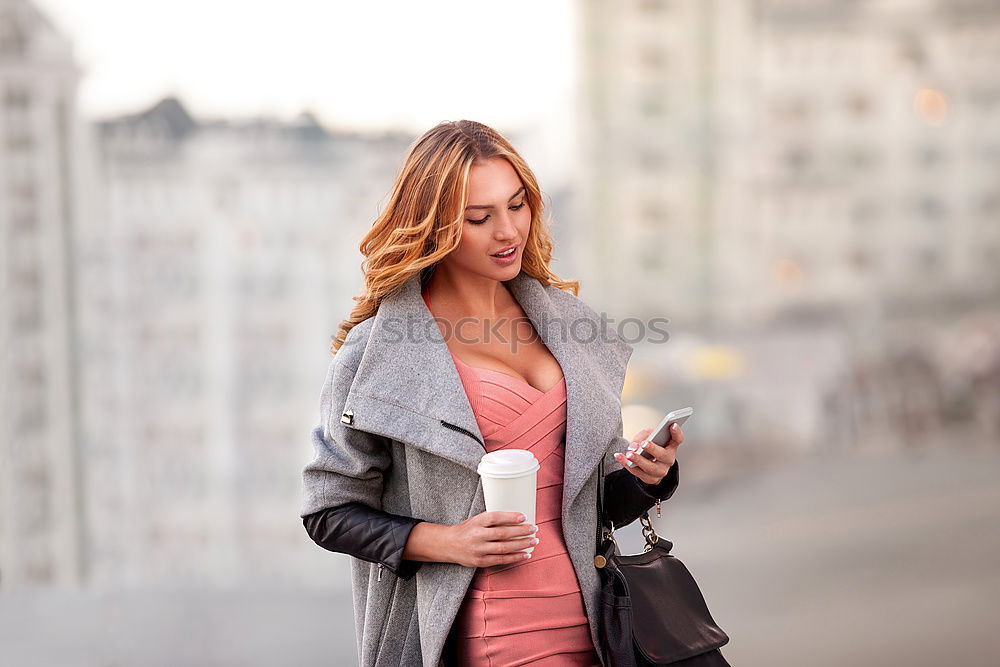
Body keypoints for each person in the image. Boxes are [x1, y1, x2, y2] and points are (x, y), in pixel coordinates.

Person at [300, 120, 686, 667]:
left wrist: (649, 474)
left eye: (517, 205)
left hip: (600, 632)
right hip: (489, 636)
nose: (508, 231)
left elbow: (585, 507)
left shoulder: (570, 328)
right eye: (479, 218)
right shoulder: (379, 353)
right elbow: (328, 510)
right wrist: (449, 541)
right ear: (432, 227)